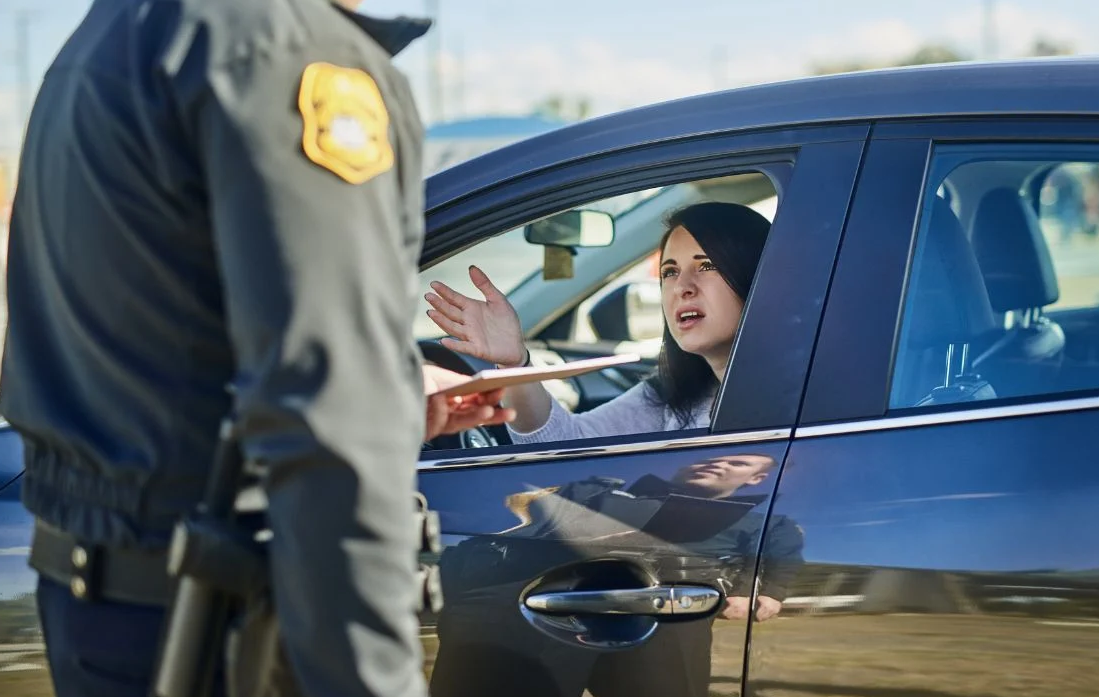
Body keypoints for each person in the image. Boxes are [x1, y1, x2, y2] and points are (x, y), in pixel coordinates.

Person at [0, 2, 512, 697]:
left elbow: (157, 347)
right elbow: (324, 419)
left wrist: (383, 393)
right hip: (216, 629)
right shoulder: (288, 52)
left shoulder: (119, 30)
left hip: (102, 607)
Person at [424, 201, 770, 443]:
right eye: (670, 271)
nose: (682, 287)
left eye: (706, 265)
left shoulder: (804, 400)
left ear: (754, 273)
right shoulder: (672, 394)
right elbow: (563, 447)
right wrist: (515, 363)